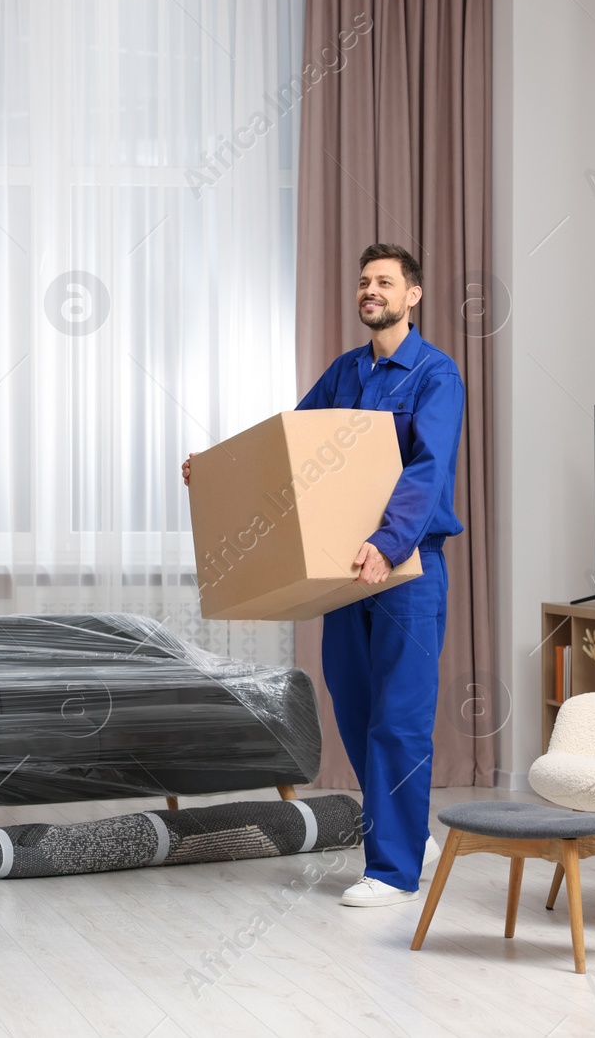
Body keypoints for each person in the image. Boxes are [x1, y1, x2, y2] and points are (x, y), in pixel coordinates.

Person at [183, 242, 464, 907]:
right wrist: (217, 468)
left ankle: (393, 870)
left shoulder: (435, 374)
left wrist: (387, 544)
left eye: (384, 282)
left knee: (398, 717)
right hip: (345, 573)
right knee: (356, 705)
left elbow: (427, 471)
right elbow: (286, 444)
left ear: (412, 295)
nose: (371, 290)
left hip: (403, 571)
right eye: (365, 281)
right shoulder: (344, 372)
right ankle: (407, 831)